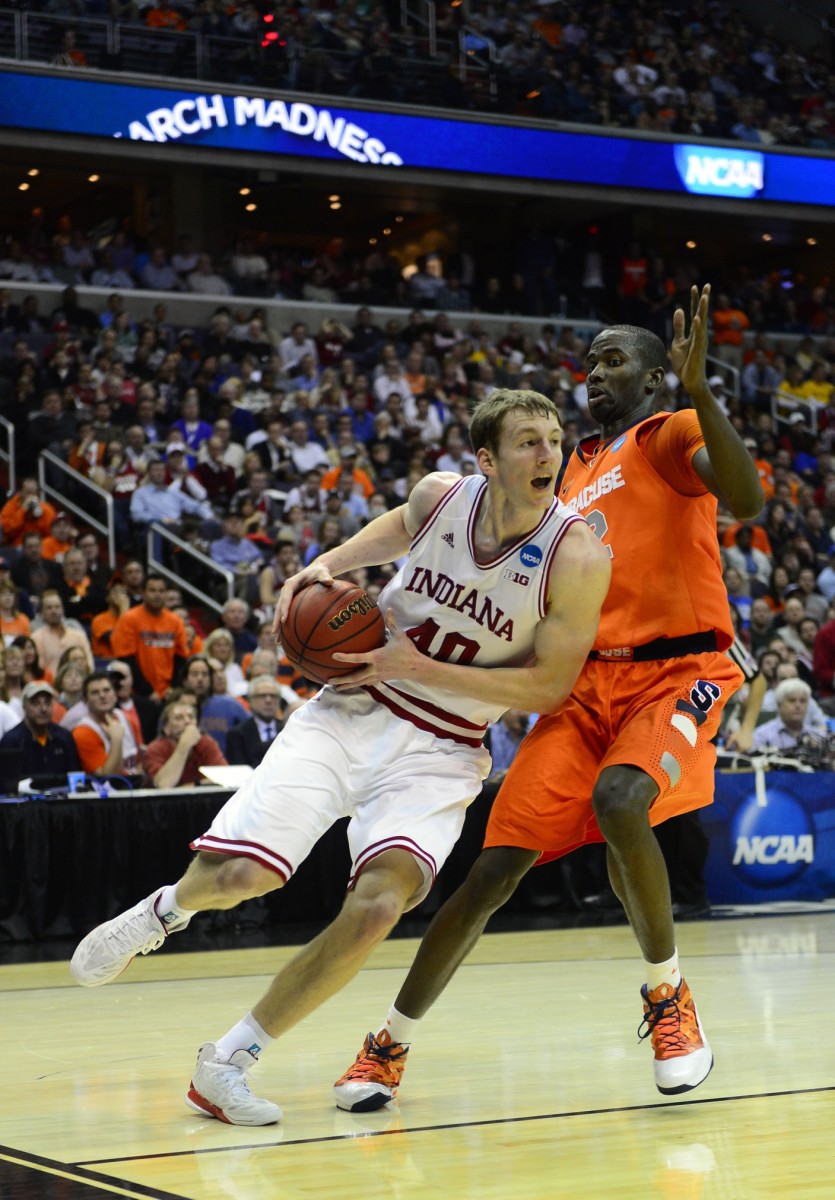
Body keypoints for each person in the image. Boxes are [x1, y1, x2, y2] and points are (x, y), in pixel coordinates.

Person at [69, 386, 610, 1126]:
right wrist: (321, 566)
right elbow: (396, 527)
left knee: (381, 905)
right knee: (241, 874)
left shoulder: (575, 553)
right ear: (486, 459)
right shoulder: (440, 497)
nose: (548, 453)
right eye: (527, 441)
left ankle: (225, 1062)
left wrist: (413, 666)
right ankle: (163, 913)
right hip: (352, 708)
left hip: (444, 747)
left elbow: (549, 687)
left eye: (553, 439)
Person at [331, 283, 764, 1113]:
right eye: (589, 361)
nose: (593, 373)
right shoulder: (561, 473)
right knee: (490, 871)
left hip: (678, 671)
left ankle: (667, 996)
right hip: (583, 684)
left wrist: (703, 391)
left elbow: (744, 500)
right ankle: (388, 1043)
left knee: (621, 798)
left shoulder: (668, 433)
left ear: (651, 378)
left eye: (613, 361)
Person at [110, 574, 189, 701]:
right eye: (152, 590)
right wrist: (147, 692)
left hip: (169, 693)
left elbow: (180, 659)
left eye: (161, 591)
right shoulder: (129, 619)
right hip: (137, 694)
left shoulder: (175, 621)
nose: (157, 595)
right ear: (143, 593)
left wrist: (173, 688)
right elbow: (126, 659)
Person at [0, 679, 80, 786]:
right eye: (36, 703)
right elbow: (7, 785)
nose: (43, 709)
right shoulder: (11, 741)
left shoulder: (64, 737)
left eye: (47, 703)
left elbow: (75, 778)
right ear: (24, 706)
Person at [143, 700, 227, 788]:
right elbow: (164, 784)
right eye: (179, 718)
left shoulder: (206, 742)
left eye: (191, 717)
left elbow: (225, 778)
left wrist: (191, 786)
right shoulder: (155, 749)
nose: (187, 721)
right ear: (166, 728)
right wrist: (184, 745)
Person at [72, 670, 141, 779]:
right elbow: (108, 778)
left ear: (115, 695)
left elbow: (139, 761)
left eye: (107, 690)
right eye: (95, 692)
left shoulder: (128, 719)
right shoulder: (82, 732)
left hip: (136, 786)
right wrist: (116, 740)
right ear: (85, 700)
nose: (102, 695)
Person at [751, 677, 826, 754]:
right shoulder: (762, 736)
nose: (798, 706)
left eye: (803, 701)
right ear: (779, 704)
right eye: (792, 700)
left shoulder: (818, 736)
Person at [32, 591, 94, 678]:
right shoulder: (36, 638)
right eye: (49, 608)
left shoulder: (79, 636)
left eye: (57, 607)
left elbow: (90, 665)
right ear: (42, 612)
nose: (54, 611)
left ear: (62, 609)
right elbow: (39, 669)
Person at [225, 675, 283, 769]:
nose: (268, 700)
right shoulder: (237, 734)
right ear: (250, 700)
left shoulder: (286, 729)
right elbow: (238, 770)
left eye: (273, 696)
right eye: (262, 696)